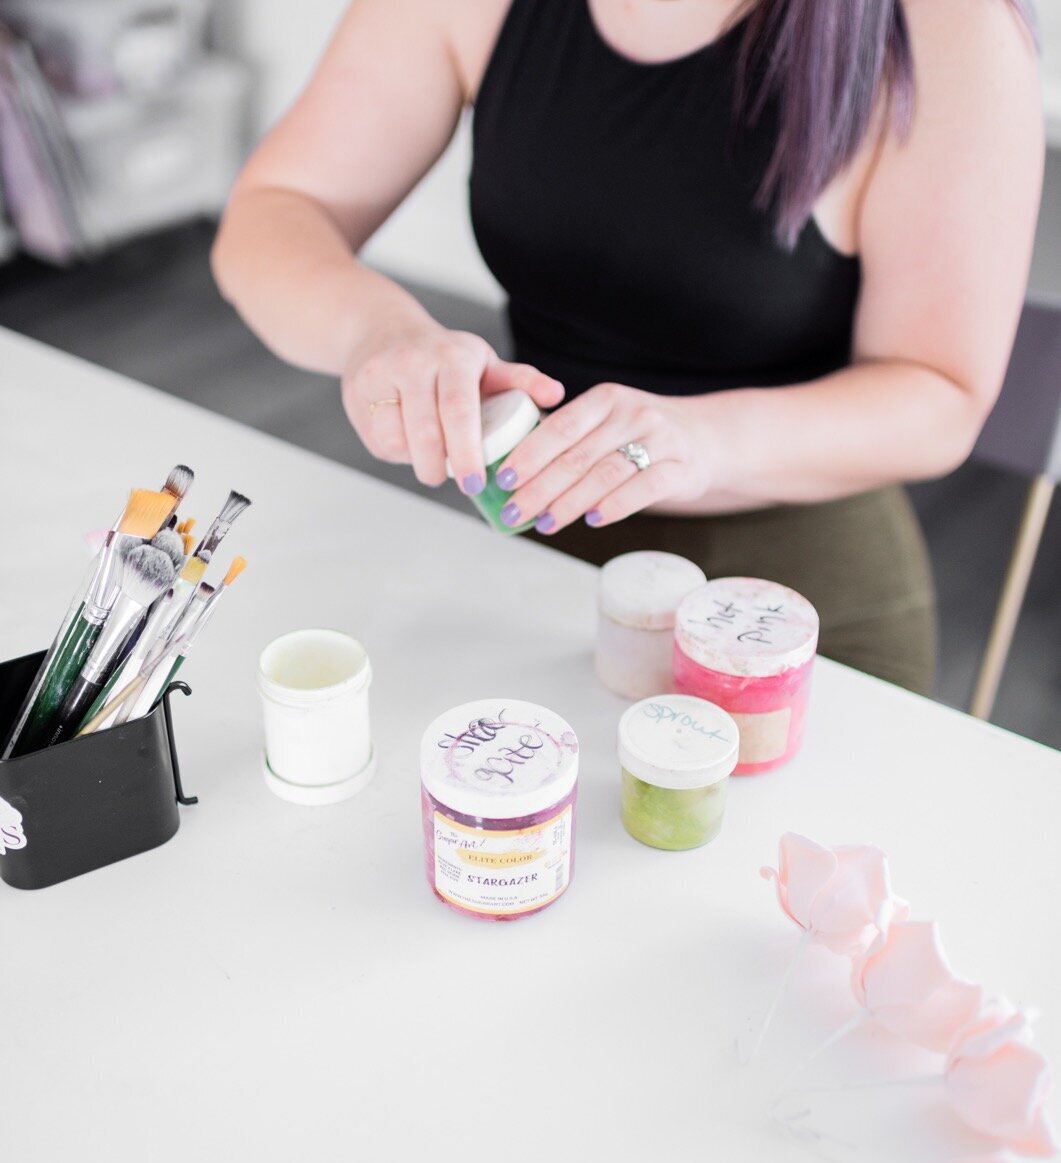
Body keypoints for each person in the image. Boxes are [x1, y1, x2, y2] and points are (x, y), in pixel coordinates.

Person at [211, 0, 1044, 694]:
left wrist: (702, 441)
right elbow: (279, 207)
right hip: (529, 546)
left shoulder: (946, 32)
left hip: (788, 588)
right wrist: (378, 333)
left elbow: (939, 395)